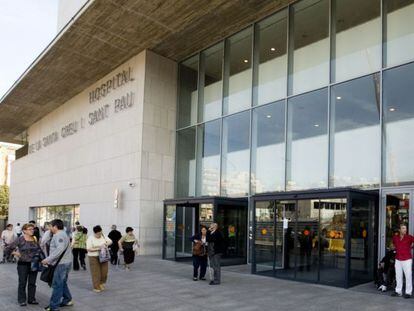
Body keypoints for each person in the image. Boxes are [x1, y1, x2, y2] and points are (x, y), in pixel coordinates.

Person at [5, 223, 44, 306]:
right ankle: (22, 300)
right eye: (30, 229)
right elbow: (8, 248)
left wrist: (43, 260)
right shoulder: (20, 239)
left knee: (32, 283)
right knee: (22, 282)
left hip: (34, 264)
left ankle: (31, 299)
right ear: (24, 231)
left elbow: (39, 250)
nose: (32, 230)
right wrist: (16, 253)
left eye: (32, 229)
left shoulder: (34, 238)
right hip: (23, 264)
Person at [41, 219, 73, 311]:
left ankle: (53, 306)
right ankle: (67, 300)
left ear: (55, 226)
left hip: (61, 264)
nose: (49, 228)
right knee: (62, 283)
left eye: (50, 226)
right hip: (64, 262)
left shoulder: (59, 235)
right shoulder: (62, 234)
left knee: (57, 285)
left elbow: (59, 249)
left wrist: (47, 260)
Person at [86, 225, 112, 292]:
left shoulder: (103, 236)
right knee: (96, 272)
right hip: (93, 256)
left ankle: (101, 283)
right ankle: (96, 287)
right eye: (98, 234)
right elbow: (88, 249)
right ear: (95, 233)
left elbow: (110, 241)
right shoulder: (90, 238)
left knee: (104, 271)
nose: (99, 235)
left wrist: (105, 244)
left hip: (103, 255)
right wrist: (98, 248)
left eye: (100, 233)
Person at [391, 223, 414, 298]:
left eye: (405, 228)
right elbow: (392, 245)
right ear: (399, 230)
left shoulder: (409, 237)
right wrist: (392, 247)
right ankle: (398, 291)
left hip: (407, 259)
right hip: (398, 259)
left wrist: (411, 246)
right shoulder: (395, 237)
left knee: (408, 276)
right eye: (403, 228)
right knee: (398, 276)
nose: (405, 230)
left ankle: (408, 292)